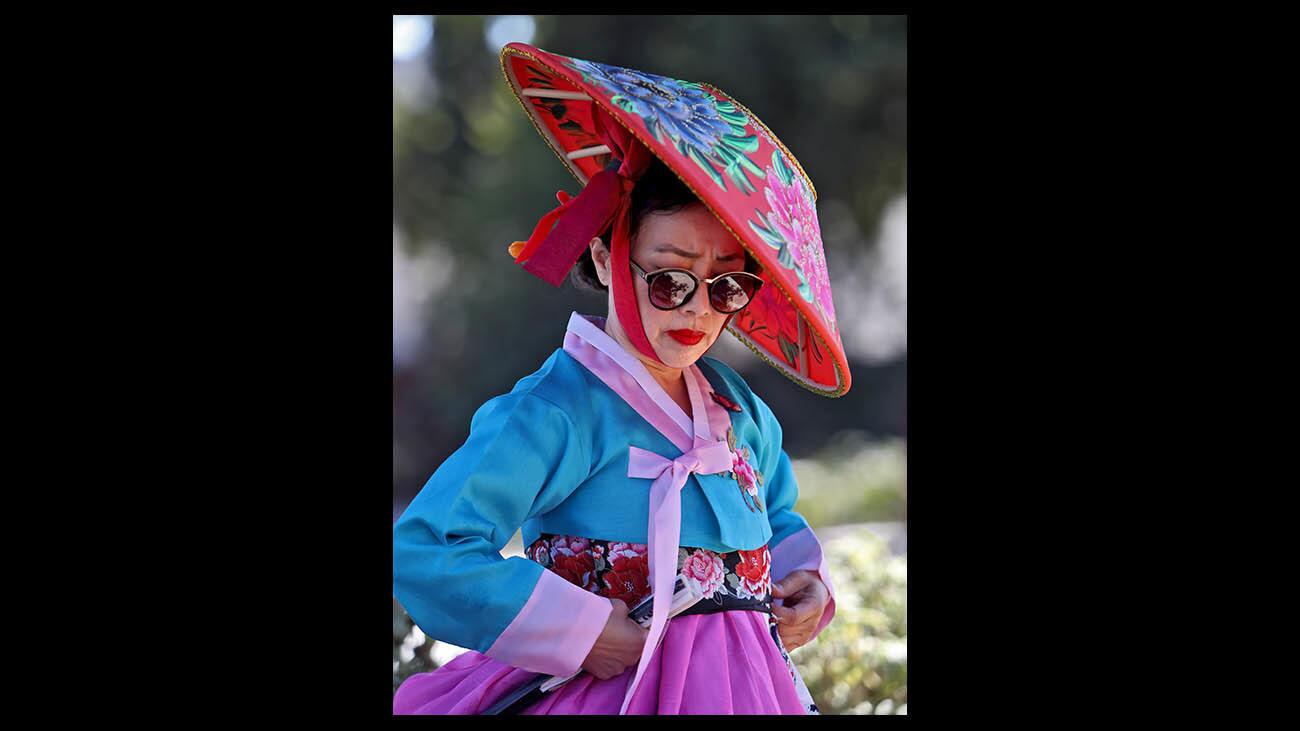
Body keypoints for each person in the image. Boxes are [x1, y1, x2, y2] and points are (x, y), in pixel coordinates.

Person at [393, 42, 853, 715]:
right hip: (611, 692)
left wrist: (805, 579)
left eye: (726, 286)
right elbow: (430, 547)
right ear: (608, 259)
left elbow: (776, 514)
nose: (698, 307)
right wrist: (580, 632)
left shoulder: (739, 408)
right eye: (669, 279)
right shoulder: (559, 410)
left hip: (750, 689)